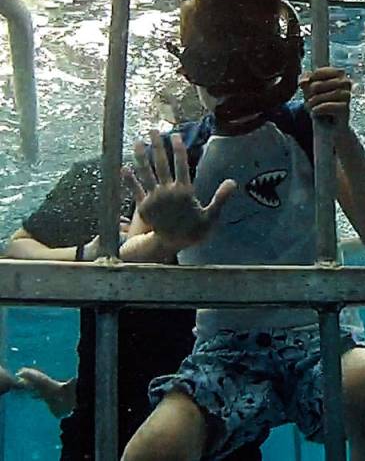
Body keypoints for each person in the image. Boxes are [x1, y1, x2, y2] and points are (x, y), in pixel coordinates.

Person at [111, 0, 365, 461]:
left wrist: (342, 134)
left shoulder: (307, 130)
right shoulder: (178, 152)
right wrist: (169, 238)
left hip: (320, 330)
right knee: (151, 450)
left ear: (282, 61)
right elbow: (127, 257)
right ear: (190, 68)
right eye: (214, 62)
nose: (234, 81)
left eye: (256, 59)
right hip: (223, 348)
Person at [3, 80, 268, 461]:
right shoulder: (104, 177)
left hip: (217, 411)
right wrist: (89, 253)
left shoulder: (242, 179)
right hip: (109, 408)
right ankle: (68, 394)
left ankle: (66, 394)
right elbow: (16, 250)